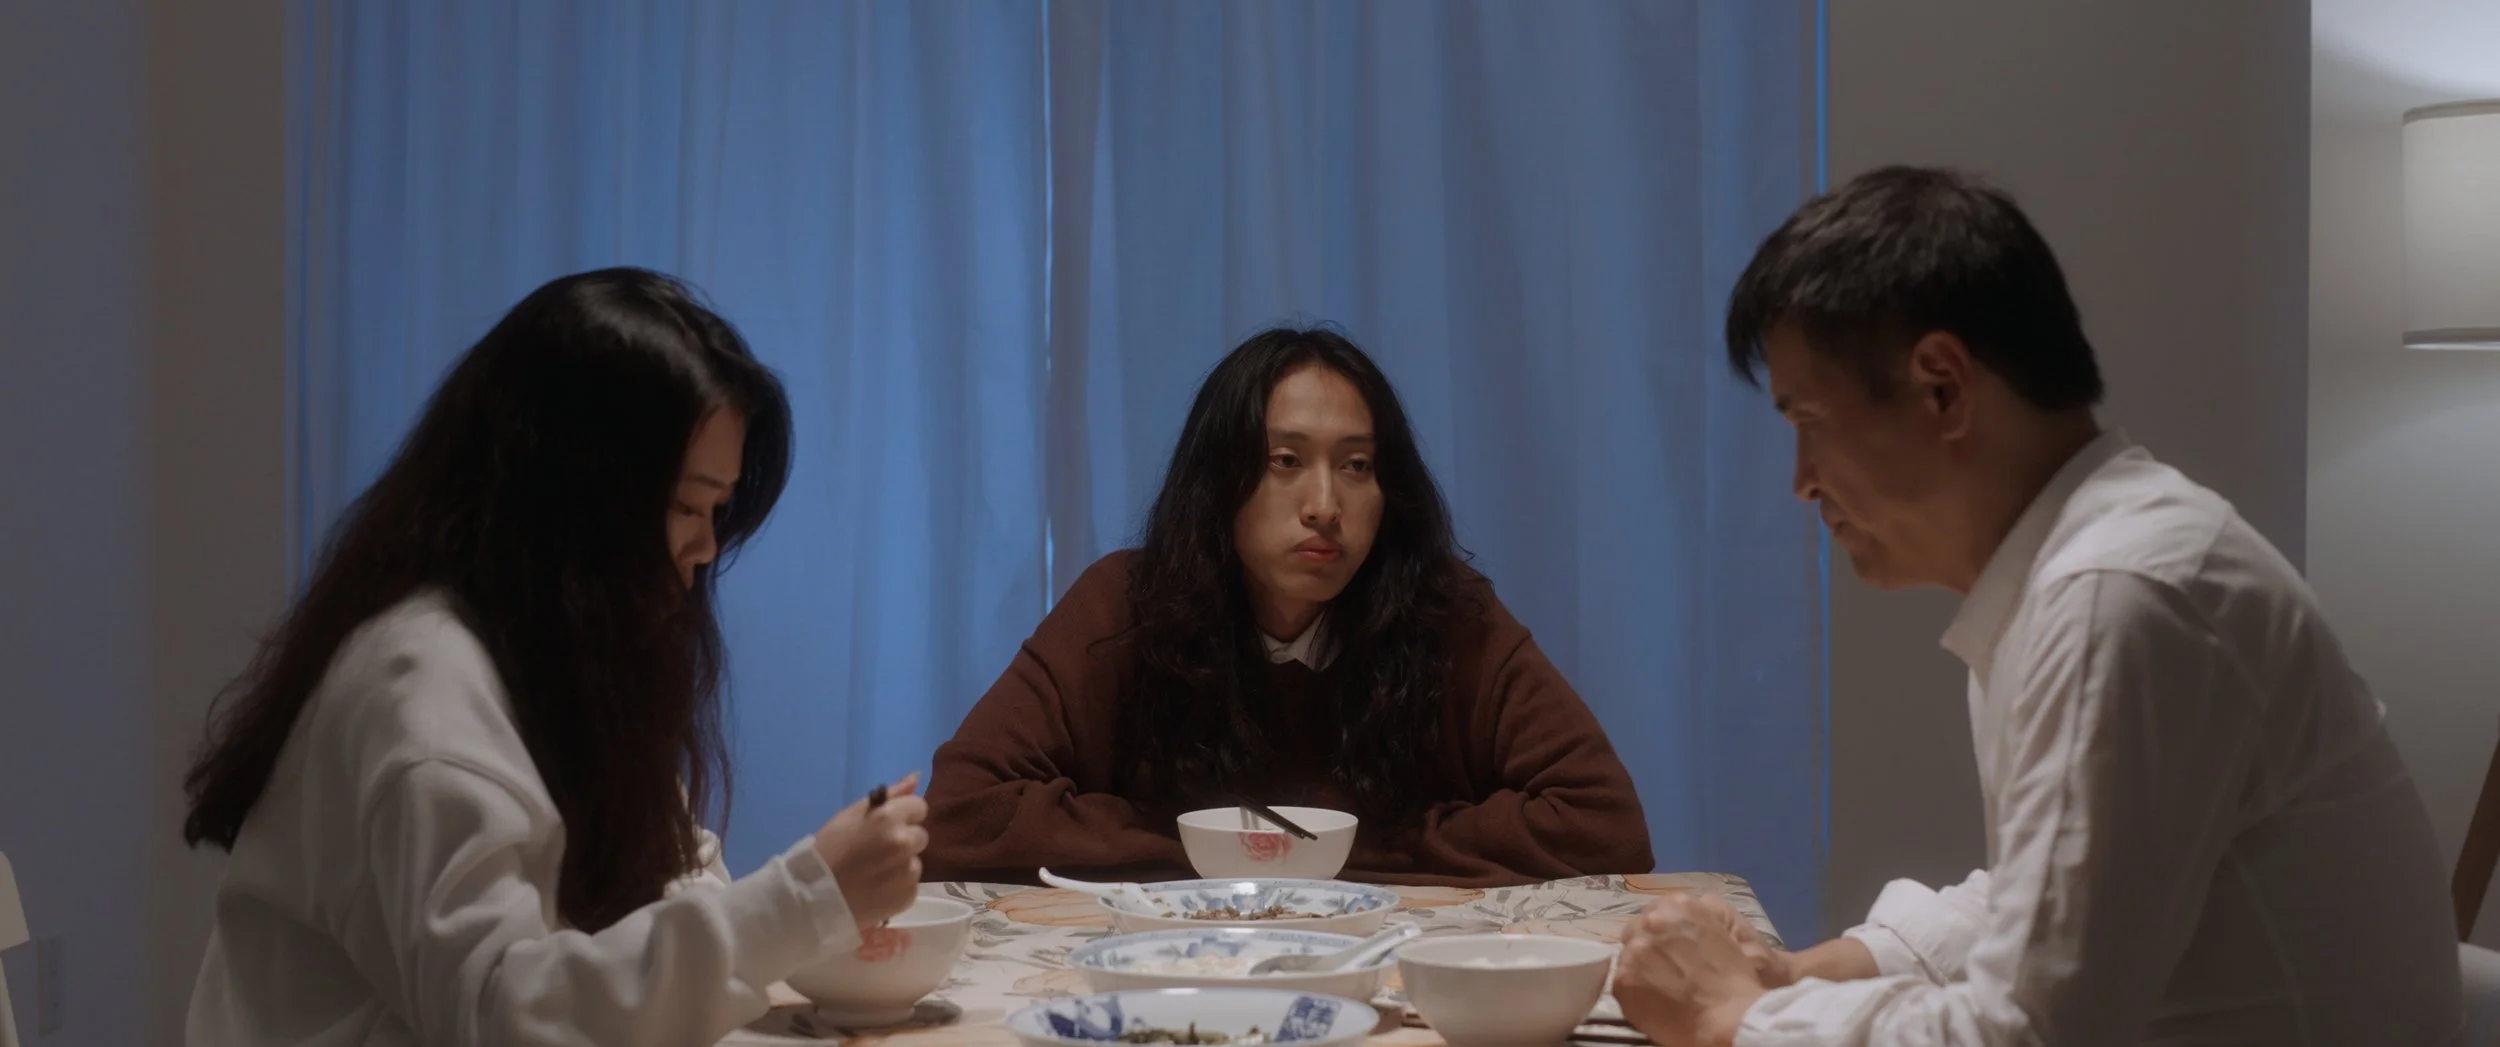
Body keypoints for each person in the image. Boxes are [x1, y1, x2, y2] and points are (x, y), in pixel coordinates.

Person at [1611, 167, 2462, 1046]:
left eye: (1809, 422)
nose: (1802, 483)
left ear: (1942, 385)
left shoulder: (2122, 593)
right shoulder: (2084, 569)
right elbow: (2051, 899)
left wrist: (1737, 1015)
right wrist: (1797, 973)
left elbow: (2028, 1032)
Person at [181, 268, 930, 1047]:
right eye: (684, 505)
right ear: (580, 494)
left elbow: (663, 875)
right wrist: (806, 898)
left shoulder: (556, 650)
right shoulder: (423, 692)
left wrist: (811, 903)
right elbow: (504, 1014)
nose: (706, 547)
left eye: (716, 510)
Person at [922, 327, 1651, 887]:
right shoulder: (1125, 605)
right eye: (1286, 462)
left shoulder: (1447, 615)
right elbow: (962, 812)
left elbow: (1601, 823)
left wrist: (1331, 851)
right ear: (1219, 482)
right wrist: (1228, 851)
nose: (1325, 506)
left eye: (1357, 466)